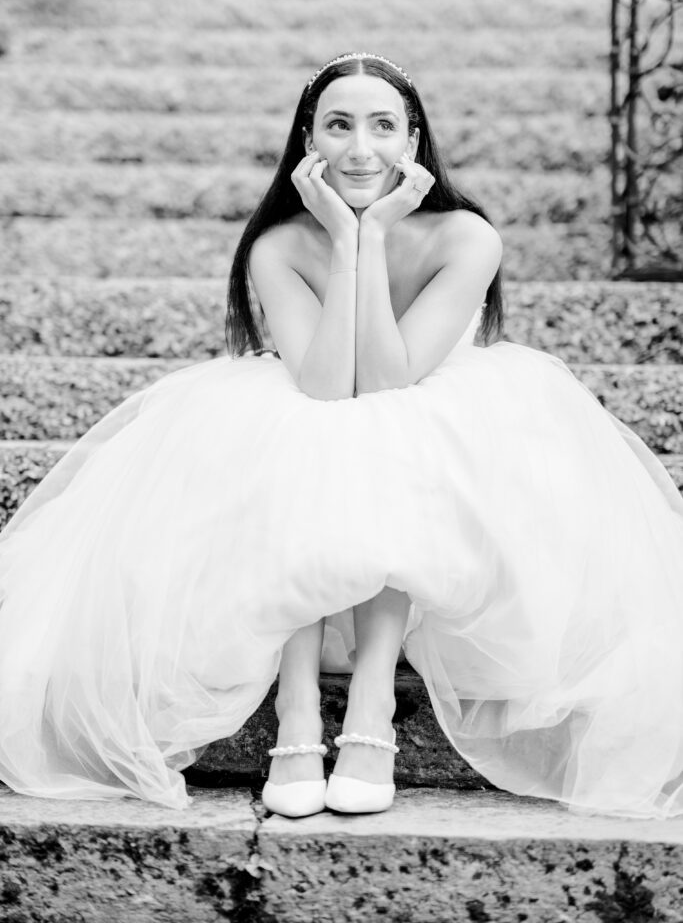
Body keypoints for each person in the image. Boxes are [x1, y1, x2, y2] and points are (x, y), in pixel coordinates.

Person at [0, 53, 682, 822]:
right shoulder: (280, 245)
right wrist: (345, 239)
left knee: (387, 432)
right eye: (338, 125)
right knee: (308, 427)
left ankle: (369, 715)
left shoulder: (465, 237)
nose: (361, 149)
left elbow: (389, 382)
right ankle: (296, 713)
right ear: (308, 139)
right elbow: (324, 383)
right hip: (312, 447)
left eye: (383, 126)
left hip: (431, 457)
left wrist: (378, 233)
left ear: (414, 140)